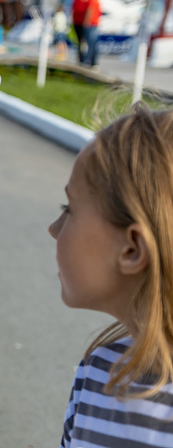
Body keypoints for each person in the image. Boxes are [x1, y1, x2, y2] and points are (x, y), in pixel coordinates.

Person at [49, 105, 173, 447]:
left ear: (132, 249)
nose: (54, 229)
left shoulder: (103, 372)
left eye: (69, 210)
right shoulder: (97, 371)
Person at [72, 0, 101, 67]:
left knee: (90, 44)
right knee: (82, 43)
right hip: (78, 23)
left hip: (89, 24)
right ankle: (82, 60)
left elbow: (90, 10)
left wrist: (86, 21)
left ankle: (89, 61)